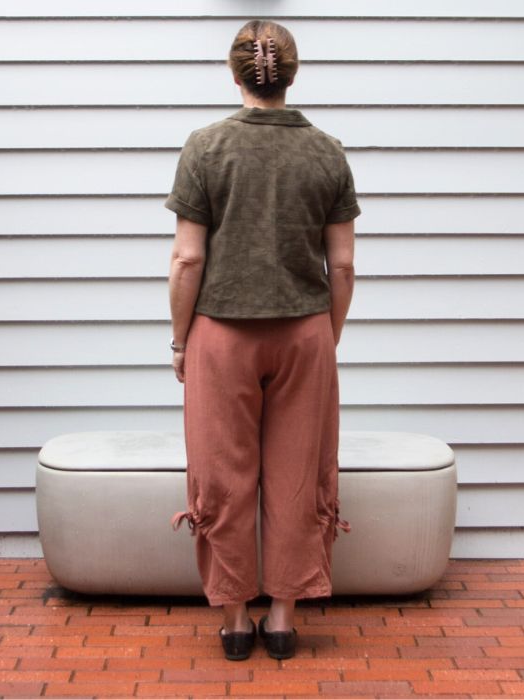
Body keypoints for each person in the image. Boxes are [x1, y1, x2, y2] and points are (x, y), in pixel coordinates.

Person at [165, 20, 359, 661]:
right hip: (305, 334)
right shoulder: (327, 150)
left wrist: (178, 340)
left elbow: (188, 260)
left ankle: (235, 623)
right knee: (299, 475)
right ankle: (282, 618)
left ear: (235, 73)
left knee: (221, 476)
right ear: (292, 74)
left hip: (221, 336)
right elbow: (345, 266)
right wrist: (324, 337)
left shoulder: (205, 147)